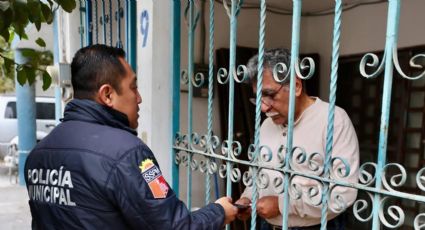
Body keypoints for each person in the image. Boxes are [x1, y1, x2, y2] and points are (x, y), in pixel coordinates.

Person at [24, 44, 237, 229]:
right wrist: (219, 212)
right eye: (133, 87)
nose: (139, 98)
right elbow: (174, 225)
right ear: (107, 94)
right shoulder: (129, 153)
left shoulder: (39, 154)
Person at [235, 48, 359, 230]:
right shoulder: (266, 125)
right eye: (258, 98)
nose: (263, 108)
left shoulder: (334, 120)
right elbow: (258, 174)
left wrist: (281, 204)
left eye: (269, 95)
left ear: (297, 86)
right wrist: (248, 198)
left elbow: (343, 193)